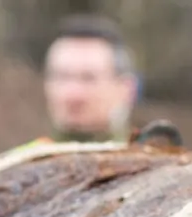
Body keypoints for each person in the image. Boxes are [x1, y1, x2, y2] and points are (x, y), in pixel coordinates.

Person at [43, 15, 139, 143]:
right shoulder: (18, 161)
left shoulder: (155, 160)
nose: (72, 93)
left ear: (127, 89)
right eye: (62, 77)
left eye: (89, 78)